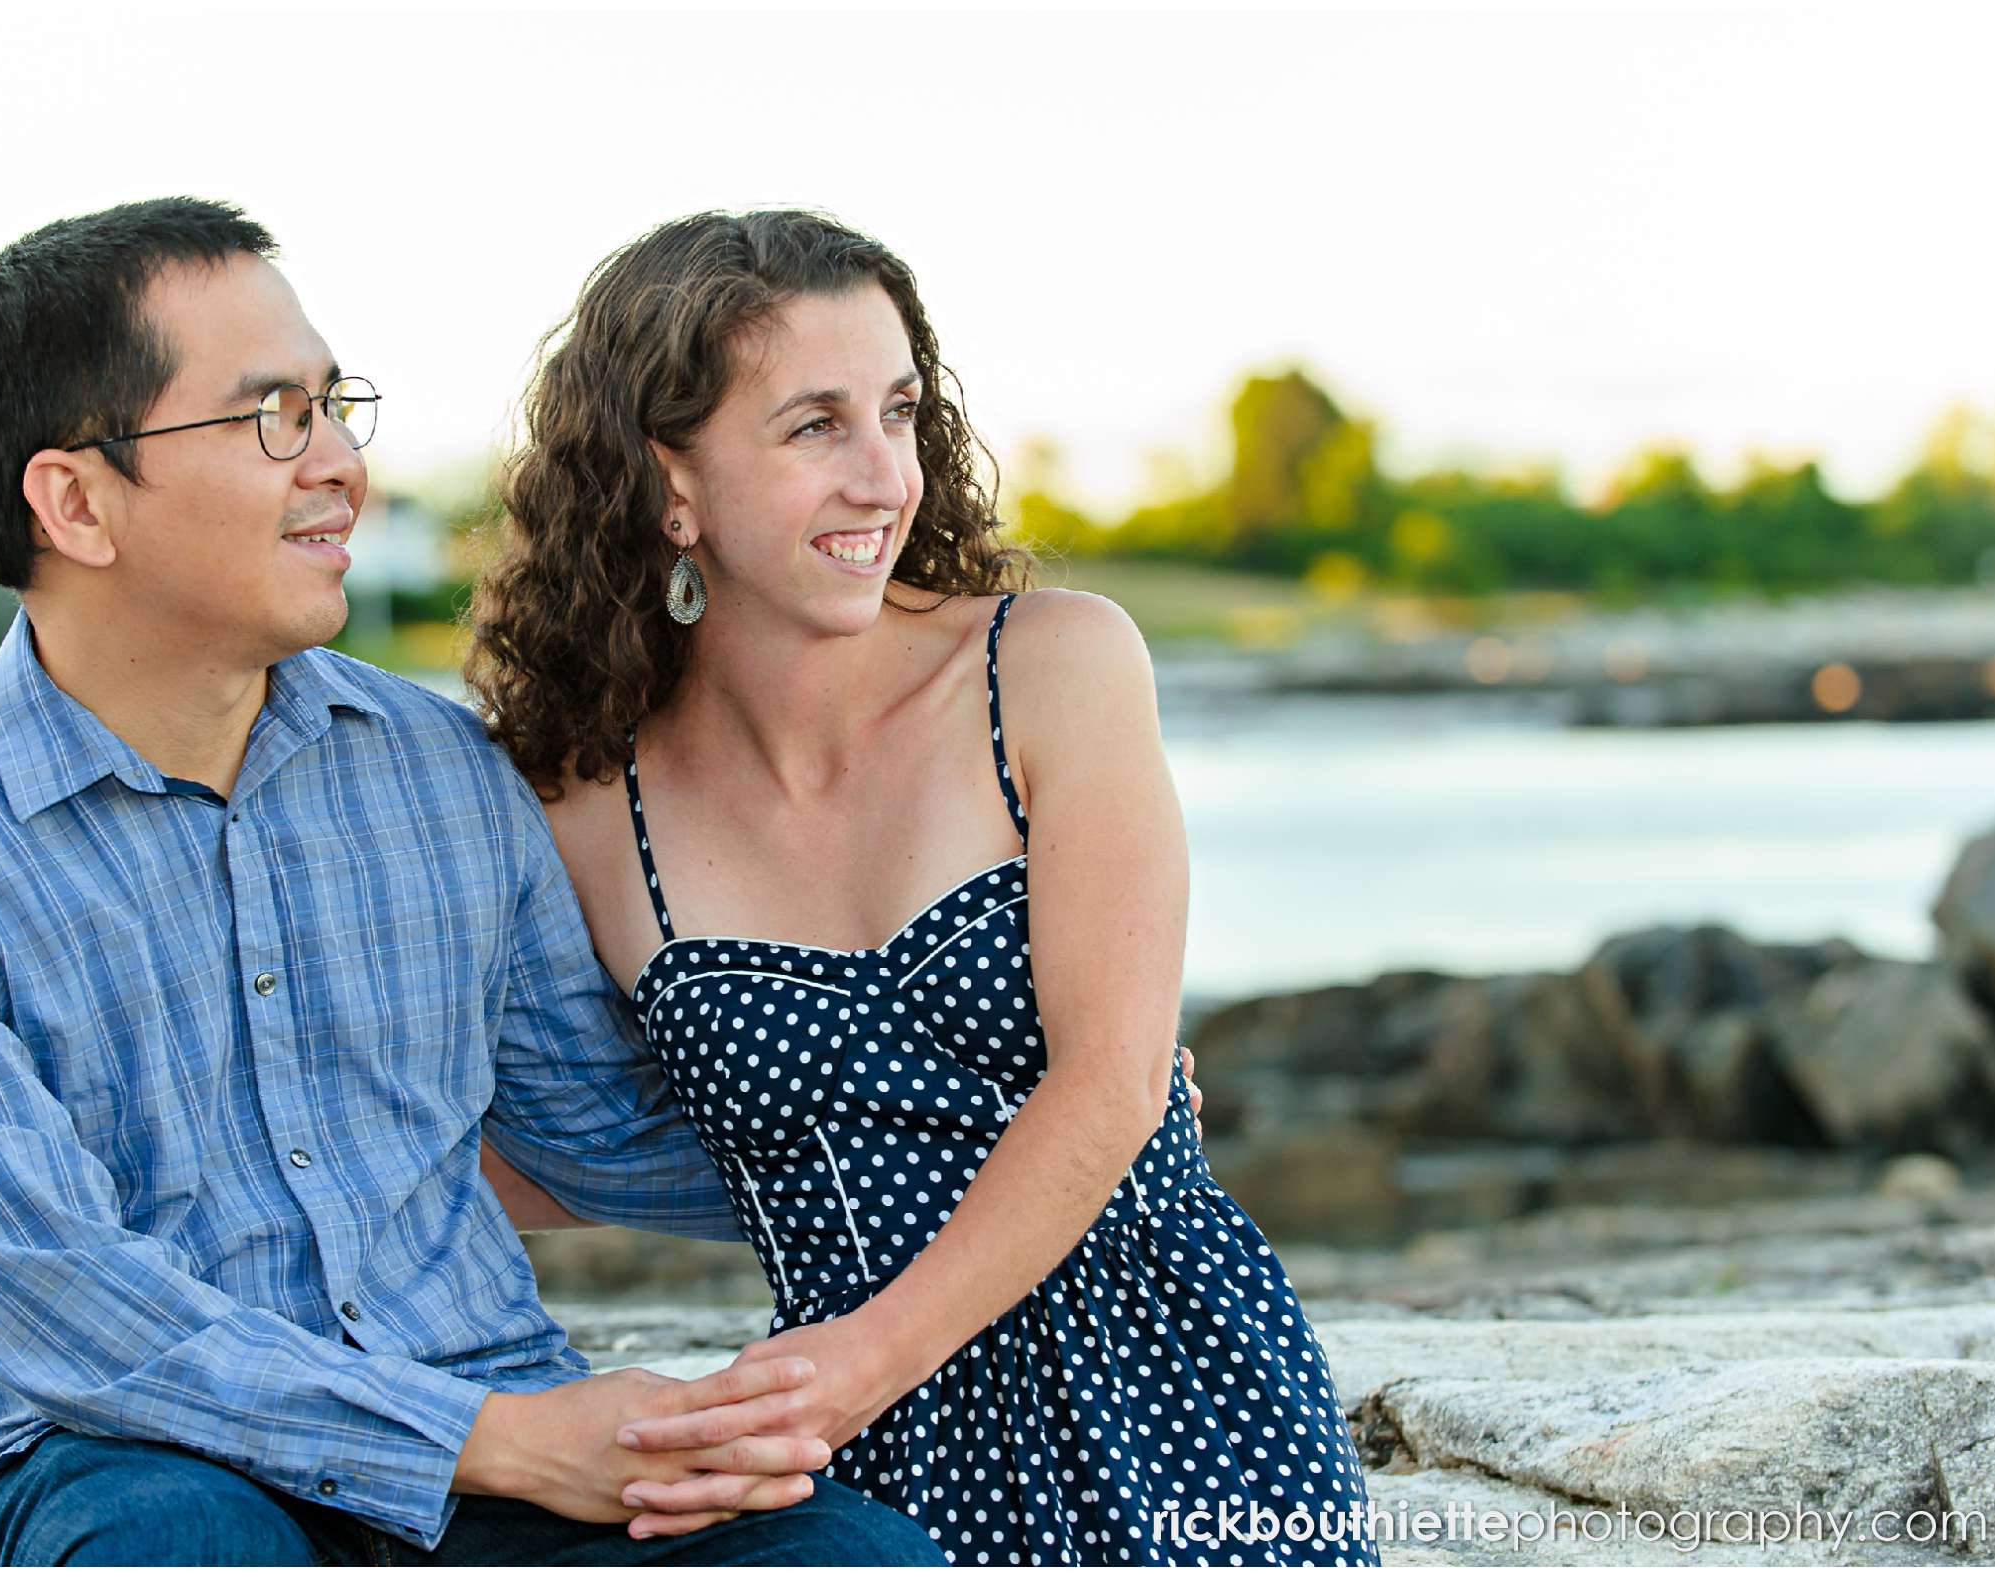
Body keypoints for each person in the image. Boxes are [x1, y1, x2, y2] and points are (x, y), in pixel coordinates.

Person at [0, 196, 948, 1568]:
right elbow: (70, 1313)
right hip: (140, 1470)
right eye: (274, 416)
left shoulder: (437, 771)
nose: (340, 464)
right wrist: (496, 1439)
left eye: (337, 406)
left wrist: (999, 1116)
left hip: (491, 1424)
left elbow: (601, 1122)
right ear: (76, 500)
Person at [462, 209, 1383, 1565]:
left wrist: (844, 1371)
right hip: (860, 1462)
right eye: (814, 425)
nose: (882, 474)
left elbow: (1113, 1084)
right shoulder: (579, 806)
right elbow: (531, 1134)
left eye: (899, 411)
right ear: (673, 482)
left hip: (1177, 1395)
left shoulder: (1053, 667)